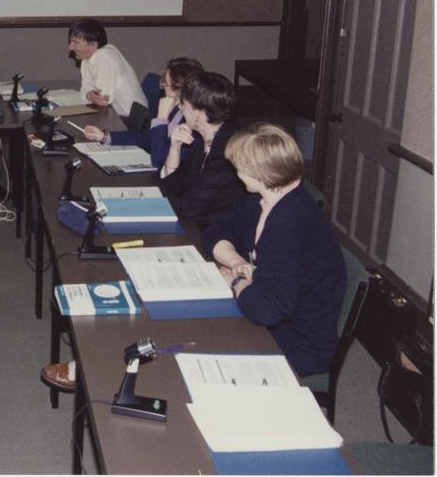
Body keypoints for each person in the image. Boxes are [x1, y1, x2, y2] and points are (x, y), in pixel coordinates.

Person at [206, 123, 345, 376]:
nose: (236, 172)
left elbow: (268, 311)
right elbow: (215, 229)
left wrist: (236, 279)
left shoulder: (291, 223)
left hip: (298, 343)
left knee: (206, 345)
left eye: (239, 167)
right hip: (269, 314)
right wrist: (237, 261)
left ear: (260, 174)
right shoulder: (261, 199)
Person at [83, 57, 204, 168]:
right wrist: (105, 136)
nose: (161, 87)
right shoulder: (177, 109)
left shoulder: (193, 125)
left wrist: (161, 118)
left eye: (165, 84)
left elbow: (159, 161)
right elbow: (147, 136)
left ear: (180, 91)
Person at [160, 71, 244, 228]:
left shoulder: (227, 154)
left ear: (199, 113)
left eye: (183, 104)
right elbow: (172, 187)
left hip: (219, 235)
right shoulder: (203, 139)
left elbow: (188, 209)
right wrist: (174, 149)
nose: (179, 107)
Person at [67, 19, 146, 118]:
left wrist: (90, 95)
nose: (70, 47)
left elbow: (103, 99)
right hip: (115, 114)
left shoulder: (104, 56)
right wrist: (88, 94)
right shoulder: (86, 59)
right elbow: (86, 88)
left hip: (131, 119)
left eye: (76, 42)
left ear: (93, 44)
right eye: (71, 41)